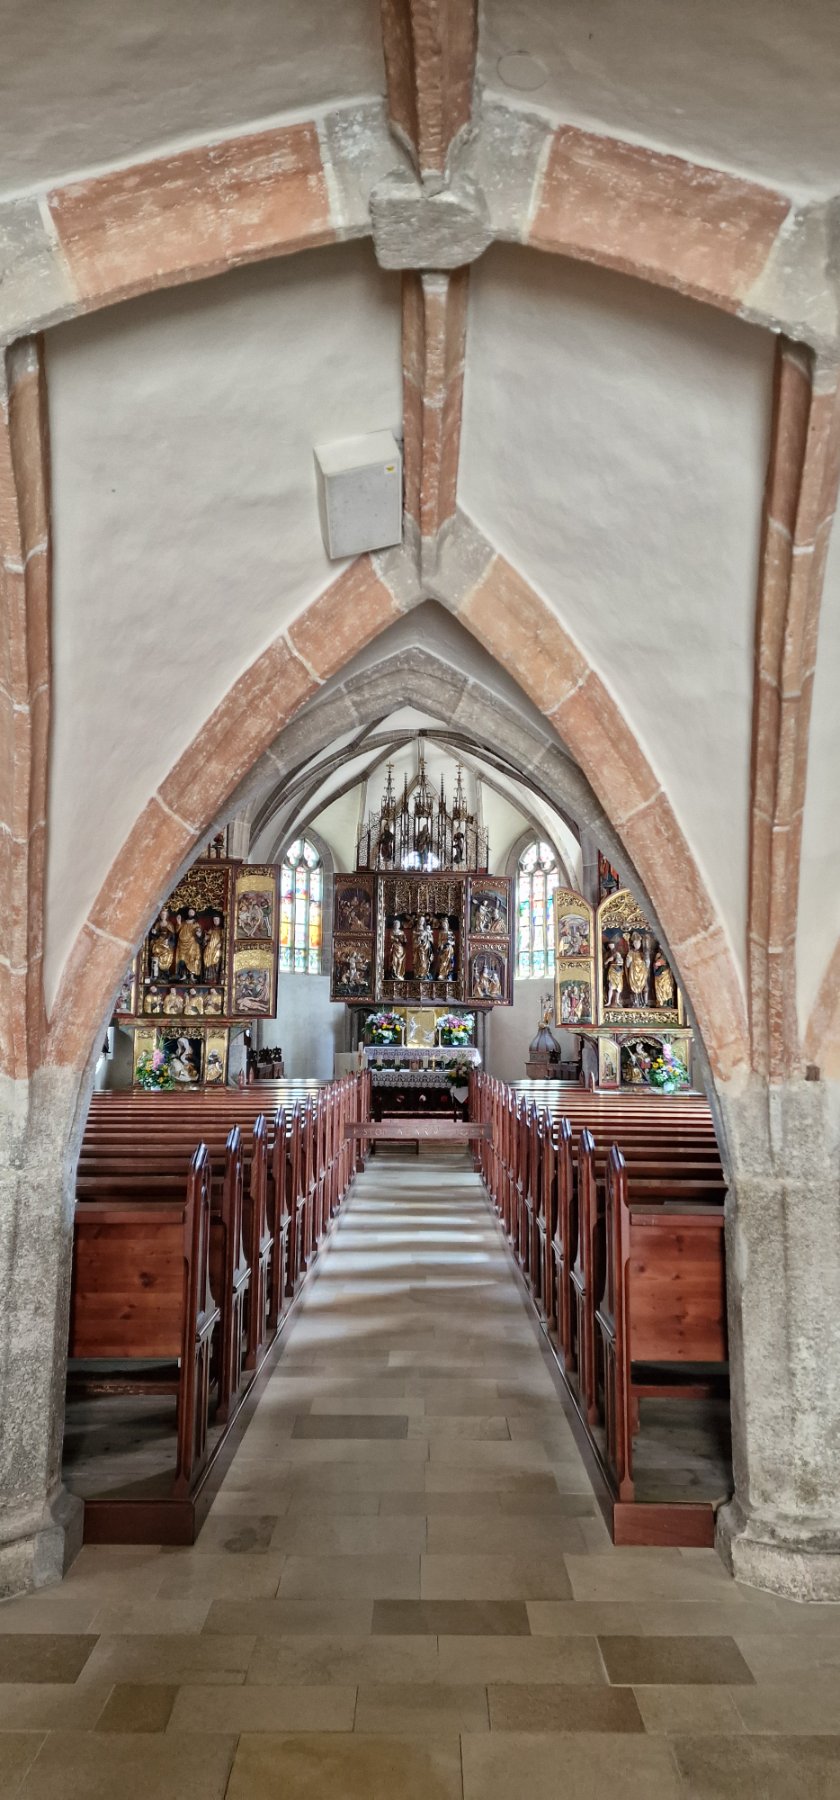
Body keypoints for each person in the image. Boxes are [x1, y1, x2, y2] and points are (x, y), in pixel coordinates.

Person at [175, 909, 203, 982]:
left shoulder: (196, 924)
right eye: (189, 911)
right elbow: (177, 930)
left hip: (192, 944)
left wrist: (199, 935)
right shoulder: (184, 923)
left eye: (192, 912)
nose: (190, 913)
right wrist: (178, 923)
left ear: (194, 913)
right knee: (183, 959)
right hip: (182, 943)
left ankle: (192, 975)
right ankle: (183, 975)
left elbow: (200, 934)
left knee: (192, 958)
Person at [203, 913, 224, 982]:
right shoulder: (211, 929)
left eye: (217, 919)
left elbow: (223, 938)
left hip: (217, 948)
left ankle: (215, 977)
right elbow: (208, 937)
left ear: (220, 920)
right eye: (214, 920)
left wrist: (220, 943)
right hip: (210, 947)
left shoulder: (222, 930)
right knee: (207, 960)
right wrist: (206, 938)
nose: (215, 921)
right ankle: (209, 977)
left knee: (216, 961)